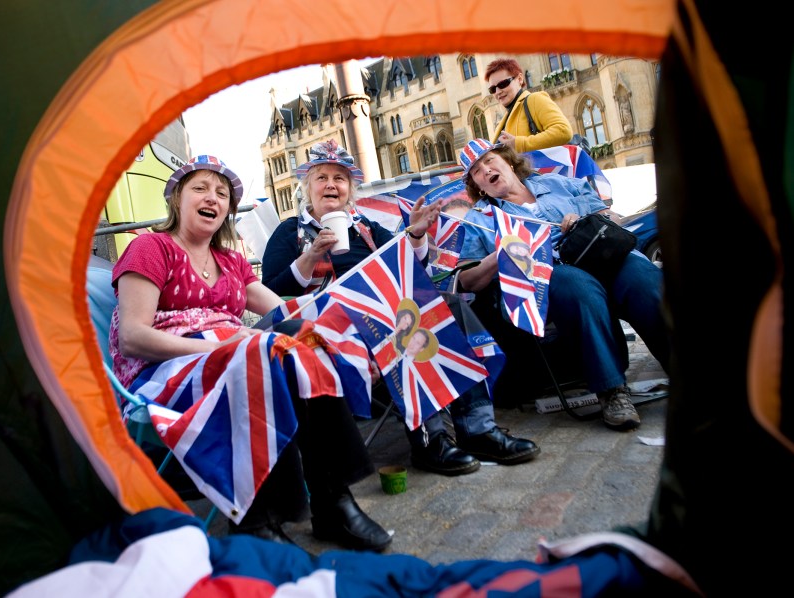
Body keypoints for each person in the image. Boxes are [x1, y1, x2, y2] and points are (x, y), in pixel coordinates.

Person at [109, 154, 392, 552]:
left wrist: (345, 344)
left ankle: (333, 501)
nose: (213, 198)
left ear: (227, 209)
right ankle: (259, 518)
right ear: (177, 198)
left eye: (222, 193)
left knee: (299, 336)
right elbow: (133, 338)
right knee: (261, 351)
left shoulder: (230, 262)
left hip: (235, 355)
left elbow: (286, 310)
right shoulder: (151, 248)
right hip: (166, 370)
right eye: (201, 188)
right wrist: (221, 344)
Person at [262, 140, 540, 473]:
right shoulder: (288, 233)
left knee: (448, 306)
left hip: (384, 315)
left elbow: (411, 270)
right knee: (402, 319)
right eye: (322, 177)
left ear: (350, 190)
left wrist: (418, 235)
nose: (331, 184)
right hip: (325, 329)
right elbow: (272, 297)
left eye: (340, 178)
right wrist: (310, 256)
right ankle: (430, 439)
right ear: (308, 187)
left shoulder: (366, 228)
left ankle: (477, 429)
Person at [455, 138, 670, 431]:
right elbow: (466, 280)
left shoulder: (558, 184)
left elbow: (612, 219)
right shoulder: (479, 219)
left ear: (507, 160)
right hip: (545, 277)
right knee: (579, 287)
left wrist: (586, 220)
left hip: (597, 256)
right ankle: (612, 391)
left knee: (641, 276)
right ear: (479, 186)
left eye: (490, 160)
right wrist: (501, 253)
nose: (486, 170)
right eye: (477, 171)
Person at [485, 57, 572, 153]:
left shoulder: (534, 99)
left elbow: (563, 131)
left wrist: (520, 144)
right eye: (492, 89)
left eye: (503, 84)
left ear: (520, 79)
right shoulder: (502, 122)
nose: (498, 92)